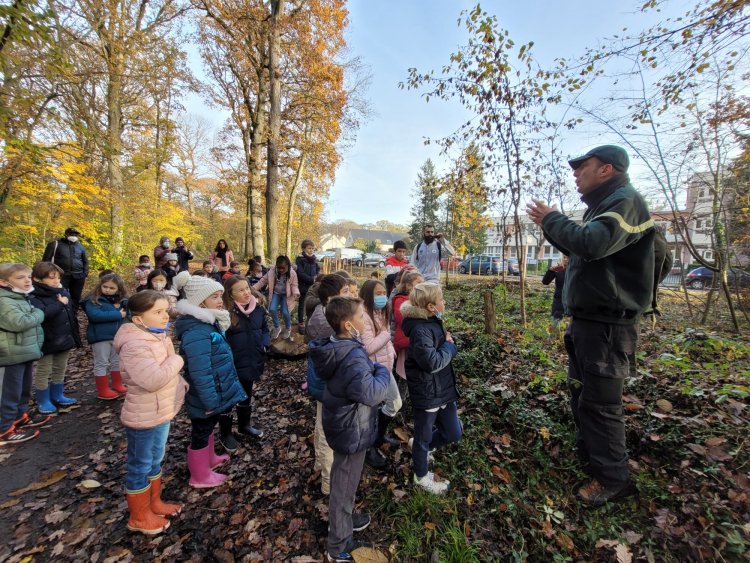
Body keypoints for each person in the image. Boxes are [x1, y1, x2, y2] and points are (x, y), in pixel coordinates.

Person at [526, 144, 655, 506]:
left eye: (583, 165)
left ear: (607, 169)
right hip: (589, 322)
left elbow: (593, 244)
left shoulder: (625, 200)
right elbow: (583, 247)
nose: (576, 172)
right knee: (583, 393)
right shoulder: (603, 206)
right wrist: (551, 224)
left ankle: (613, 479)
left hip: (607, 326)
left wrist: (552, 218)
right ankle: (591, 455)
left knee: (600, 403)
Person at [307, 296, 389, 562]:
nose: (364, 320)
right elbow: (373, 393)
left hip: (345, 423)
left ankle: (344, 520)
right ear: (347, 324)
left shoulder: (341, 345)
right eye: (360, 316)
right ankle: (338, 545)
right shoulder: (352, 354)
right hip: (351, 428)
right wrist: (382, 371)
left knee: (347, 480)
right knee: (344, 483)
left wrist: (371, 367)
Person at [114, 291, 188, 535]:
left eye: (166, 310)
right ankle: (139, 515)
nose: (164, 316)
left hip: (160, 411)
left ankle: (154, 502)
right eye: (157, 312)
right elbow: (153, 379)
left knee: (155, 458)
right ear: (138, 319)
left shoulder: (158, 336)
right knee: (140, 464)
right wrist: (177, 360)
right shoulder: (134, 345)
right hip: (143, 415)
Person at [173, 271, 247, 486]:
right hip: (205, 394)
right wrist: (210, 401)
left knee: (209, 425)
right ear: (200, 303)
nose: (220, 301)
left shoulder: (208, 323)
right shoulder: (197, 332)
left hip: (215, 390)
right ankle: (199, 475)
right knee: (201, 431)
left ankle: (209, 459)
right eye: (214, 297)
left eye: (219, 296)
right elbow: (200, 371)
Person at [401, 282, 462, 494]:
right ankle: (421, 476)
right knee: (423, 436)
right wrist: (449, 347)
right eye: (441, 299)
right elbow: (431, 363)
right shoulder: (420, 330)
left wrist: (448, 343)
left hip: (443, 388)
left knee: (453, 431)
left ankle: (421, 447)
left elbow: (440, 351)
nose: (444, 301)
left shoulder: (434, 321)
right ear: (430, 306)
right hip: (427, 392)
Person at [305, 274, 350, 495]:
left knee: (321, 424)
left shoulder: (322, 313)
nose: (350, 296)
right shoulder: (328, 324)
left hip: (324, 382)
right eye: (345, 293)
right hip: (327, 384)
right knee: (326, 431)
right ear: (332, 298)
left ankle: (319, 464)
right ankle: (329, 482)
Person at [0, 263, 48, 446]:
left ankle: (19, 417)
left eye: (28, 276)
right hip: (10, 354)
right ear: (4, 282)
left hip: (24, 351)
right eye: (20, 278)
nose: (27, 280)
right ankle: (4, 429)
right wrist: (38, 312)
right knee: (8, 392)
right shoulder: (4, 300)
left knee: (23, 389)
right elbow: (19, 322)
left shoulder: (20, 297)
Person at [221, 276, 270, 447]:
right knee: (228, 398)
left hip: (252, 358)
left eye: (247, 288)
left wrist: (264, 343)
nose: (246, 292)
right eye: (241, 290)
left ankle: (244, 425)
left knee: (246, 394)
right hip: (232, 362)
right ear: (231, 294)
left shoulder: (257, 308)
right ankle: (225, 433)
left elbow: (264, 328)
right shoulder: (225, 312)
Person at [358, 280, 402, 470]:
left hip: (385, 367)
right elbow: (368, 347)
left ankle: (378, 436)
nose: (382, 296)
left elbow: (385, 338)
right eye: (378, 293)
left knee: (395, 402)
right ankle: (368, 449)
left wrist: (391, 349)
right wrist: (386, 335)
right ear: (368, 295)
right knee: (369, 412)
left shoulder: (381, 312)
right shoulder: (363, 315)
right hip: (371, 370)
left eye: (384, 292)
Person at [29, 262, 81, 414]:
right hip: (46, 339)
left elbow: (70, 314)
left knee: (60, 367)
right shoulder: (33, 295)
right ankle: (43, 399)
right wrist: (60, 304)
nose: (56, 281)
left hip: (63, 336)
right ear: (38, 279)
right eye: (51, 278)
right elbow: (41, 314)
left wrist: (74, 334)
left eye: (58, 277)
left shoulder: (63, 291)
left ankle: (58, 394)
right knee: (44, 370)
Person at [82, 273, 130, 400]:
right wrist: (118, 314)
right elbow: (95, 316)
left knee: (116, 361)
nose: (108, 290)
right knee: (101, 362)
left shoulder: (121, 301)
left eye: (112, 288)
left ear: (118, 289)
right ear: (100, 286)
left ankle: (117, 384)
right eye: (105, 286)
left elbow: (130, 313)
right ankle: (102, 389)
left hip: (117, 336)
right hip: (100, 336)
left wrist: (125, 304)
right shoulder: (93, 299)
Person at [253, 256, 299, 340]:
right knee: (272, 309)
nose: (281, 270)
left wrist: (296, 293)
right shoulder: (272, 271)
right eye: (279, 268)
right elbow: (263, 280)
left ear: (287, 266)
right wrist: (254, 288)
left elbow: (294, 285)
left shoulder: (292, 273)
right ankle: (277, 327)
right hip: (276, 293)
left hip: (287, 295)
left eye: (283, 268)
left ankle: (288, 328)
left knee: (285, 312)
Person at [41, 227, 89, 309]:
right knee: (59, 293)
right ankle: (61, 311)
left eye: (75, 234)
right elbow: (46, 260)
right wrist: (50, 274)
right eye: (71, 234)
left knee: (76, 296)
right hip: (61, 275)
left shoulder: (81, 246)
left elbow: (85, 261)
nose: (73, 236)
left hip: (78, 276)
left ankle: (74, 312)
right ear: (66, 234)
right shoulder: (55, 244)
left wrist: (85, 273)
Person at [391, 270, 424, 381]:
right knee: (404, 374)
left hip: (413, 341)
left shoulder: (418, 300)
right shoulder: (400, 299)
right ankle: (399, 396)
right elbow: (402, 318)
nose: (422, 285)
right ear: (409, 286)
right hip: (405, 342)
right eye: (418, 283)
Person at [295, 240, 320, 333]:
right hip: (303, 285)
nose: (311, 250)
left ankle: (311, 321)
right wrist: (311, 279)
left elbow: (317, 269)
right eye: (309, 248)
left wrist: (317, 276)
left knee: (313, 303)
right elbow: (300, 273)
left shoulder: (314, 259)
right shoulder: (300, 259)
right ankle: (301, 322)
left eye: (312, 248)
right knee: (302, 304)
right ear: (303, 249)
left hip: (313, 286)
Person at [541, 255, 569, 325]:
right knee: (555, 323)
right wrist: (550, 271)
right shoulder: (558, 269)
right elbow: (545, 282)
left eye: (568, 257)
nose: (566, 259)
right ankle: (554, 335)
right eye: (564, 257)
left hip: (572, 301)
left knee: (569, 326)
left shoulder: (575, 270)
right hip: (559, 301)